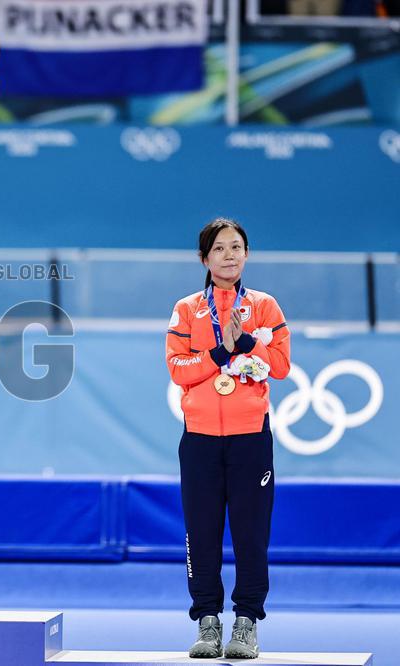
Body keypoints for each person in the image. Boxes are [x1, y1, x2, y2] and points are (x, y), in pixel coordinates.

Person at [165, 218, 291, 659]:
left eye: (237, 247)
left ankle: (246, 623)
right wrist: (219, 353)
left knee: (250, 533)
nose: (229, 255)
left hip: (250, 438)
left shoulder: (264, 306)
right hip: (199, 438)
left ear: (247, 254)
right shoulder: (186, 309)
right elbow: (177, 369)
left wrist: (248, 345)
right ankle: (207, 623)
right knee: (200, 533)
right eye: (219, 249)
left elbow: (281, 366)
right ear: (204, 258)